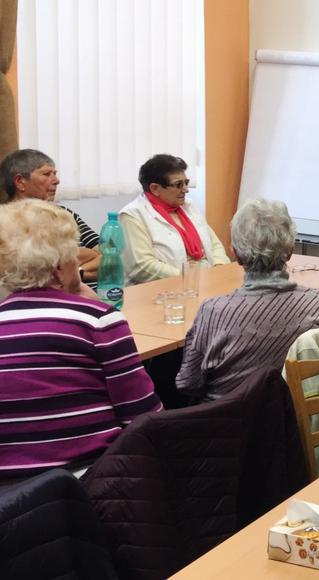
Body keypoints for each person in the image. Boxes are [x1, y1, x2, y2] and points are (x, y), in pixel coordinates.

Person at [0, 200, 162, 482]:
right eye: (74, 257)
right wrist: (97, 306)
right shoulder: (96, 320)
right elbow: (144, 417)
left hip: (9, 499)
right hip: (91, 483)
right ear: (59, 268)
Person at [176, 199, 319, 401]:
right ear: (290, 251)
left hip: (223, 424)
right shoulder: (316, 302)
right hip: (291, 423)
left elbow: (188, 382)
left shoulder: (213, 311)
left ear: (237, 255)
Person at [120, 154, 230, 284]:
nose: (186, 190)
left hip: (207, 279)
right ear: (155, 188)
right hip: (163, 291)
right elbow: (142, 266)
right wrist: (191, 277)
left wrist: (219, 267)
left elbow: (214, 244)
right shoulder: (133, 215)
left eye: (186, 183)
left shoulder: (189, 206)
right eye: (178, 185)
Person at [0, 149, 101, 284]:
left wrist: (77, 272)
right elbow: (31, 270)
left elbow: (109, 256)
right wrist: (86, 256)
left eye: (55, 174)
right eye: (47, 174)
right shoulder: (5, 221)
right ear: (20, 182)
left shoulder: (64, 213)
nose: (56, 180)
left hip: (93, 296)